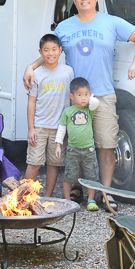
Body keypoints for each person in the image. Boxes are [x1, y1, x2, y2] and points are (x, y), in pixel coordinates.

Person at [24, 0, 135, 212]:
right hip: (71, 99)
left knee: (105, 145)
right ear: (74, 0)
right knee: (76, 146)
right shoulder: (64, 27)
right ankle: (79, 189)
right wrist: (31, 66)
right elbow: (51, 52)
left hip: (102, 95)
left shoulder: (111, 22)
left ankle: (107, 193)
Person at [24, 34, 73, 198]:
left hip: (59, 127)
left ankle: (48, 196)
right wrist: (31, 128)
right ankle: (25, 197)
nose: (50, 54)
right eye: (46, 50)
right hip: (39, 126)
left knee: (54, 164)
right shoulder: (36, 74)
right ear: (40, 52)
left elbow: (72, 99)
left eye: (54, 50)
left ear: (60, 51)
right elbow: (31, 102)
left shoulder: (68, 72)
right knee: (34, 162)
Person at [55, 77, 101, 211]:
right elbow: (62, 129)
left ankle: (90, 199)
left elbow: (96, 102)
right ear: (71, 96)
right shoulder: (68, 112)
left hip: (89, 149)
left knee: (91, 175)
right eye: (79, 95)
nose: (83, 98)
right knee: (70, 175)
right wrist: (58, 145)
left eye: (86, 94)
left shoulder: (89, 109)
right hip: (72, 150)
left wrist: (90, 97)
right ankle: (67, 201)